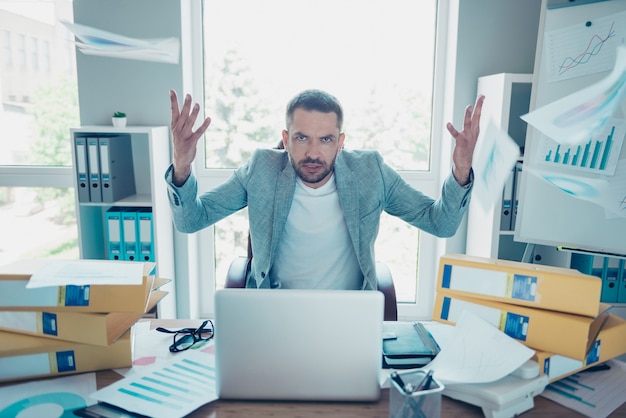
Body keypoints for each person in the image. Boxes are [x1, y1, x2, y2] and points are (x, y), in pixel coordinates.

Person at [165, 89, 484, 290]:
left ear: (341, 142)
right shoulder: (262, 169)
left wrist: (461, 169)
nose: (314, 153)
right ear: (286, 138)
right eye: (302, 138)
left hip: (349, 316)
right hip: (275, 315)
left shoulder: (369, 172)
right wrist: (182, 165)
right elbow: (191, 220)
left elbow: (441, 224)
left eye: (326, 139)